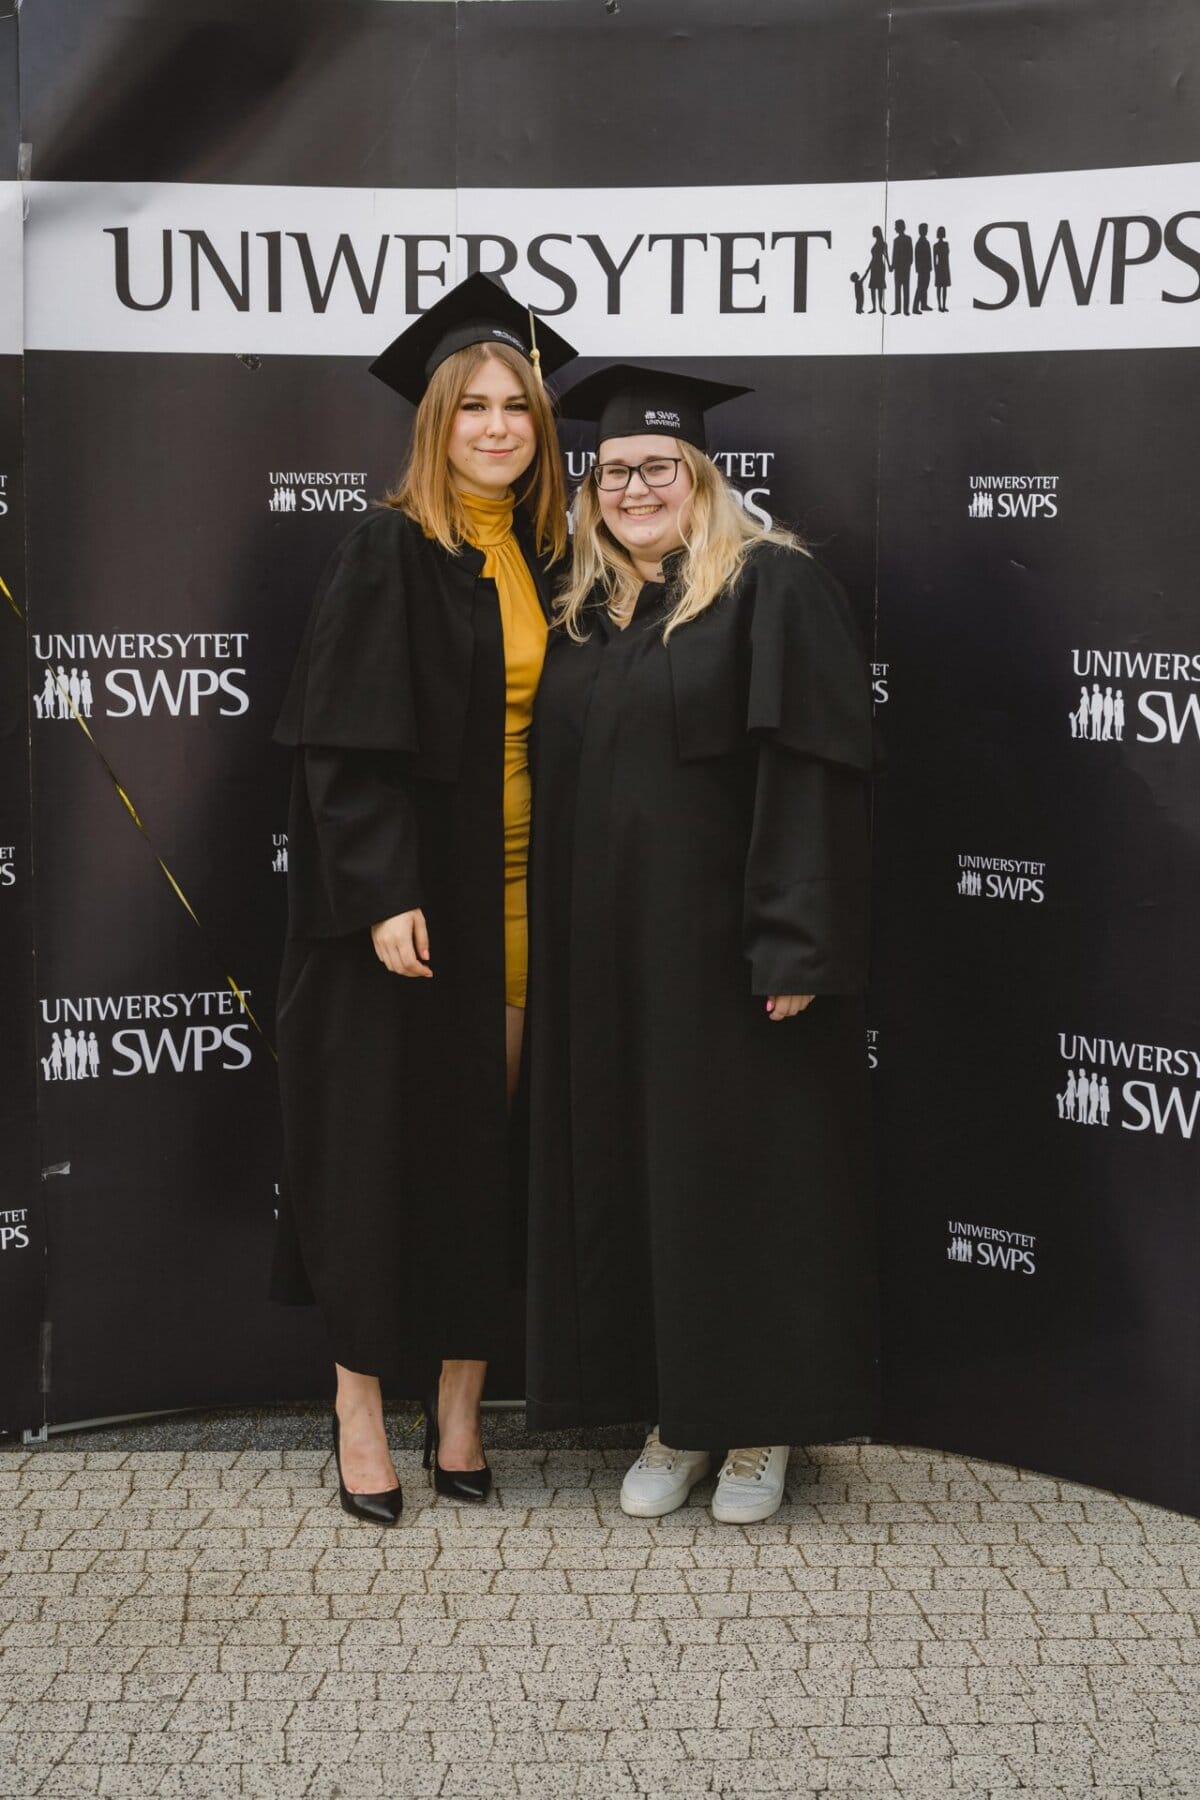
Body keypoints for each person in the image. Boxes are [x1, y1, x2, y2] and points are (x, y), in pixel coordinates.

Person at [526, 365, 878, 1526]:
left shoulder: (771, 586)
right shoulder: (583, 610)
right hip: (607, 964)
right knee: (642, 1184)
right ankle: (676, 1419)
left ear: (703, 477)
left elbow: (811, 778)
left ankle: (758, 1426)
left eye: (659, 468)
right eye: (614, 469)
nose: (635, 487)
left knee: (744, 1187)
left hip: (729, 961)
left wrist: (793, 943)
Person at [272, 274, 576, 1523]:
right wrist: (383, 889)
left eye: (518, 408)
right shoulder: (391, 548)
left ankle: (459, 1405)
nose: (498, 426)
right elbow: (339, 750)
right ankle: (357, 1404)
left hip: (523, 900)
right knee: (377, 1157)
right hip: (403, 915)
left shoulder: (556, 556)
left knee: (483, 1157)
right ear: (435, 424)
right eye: (474, 408)